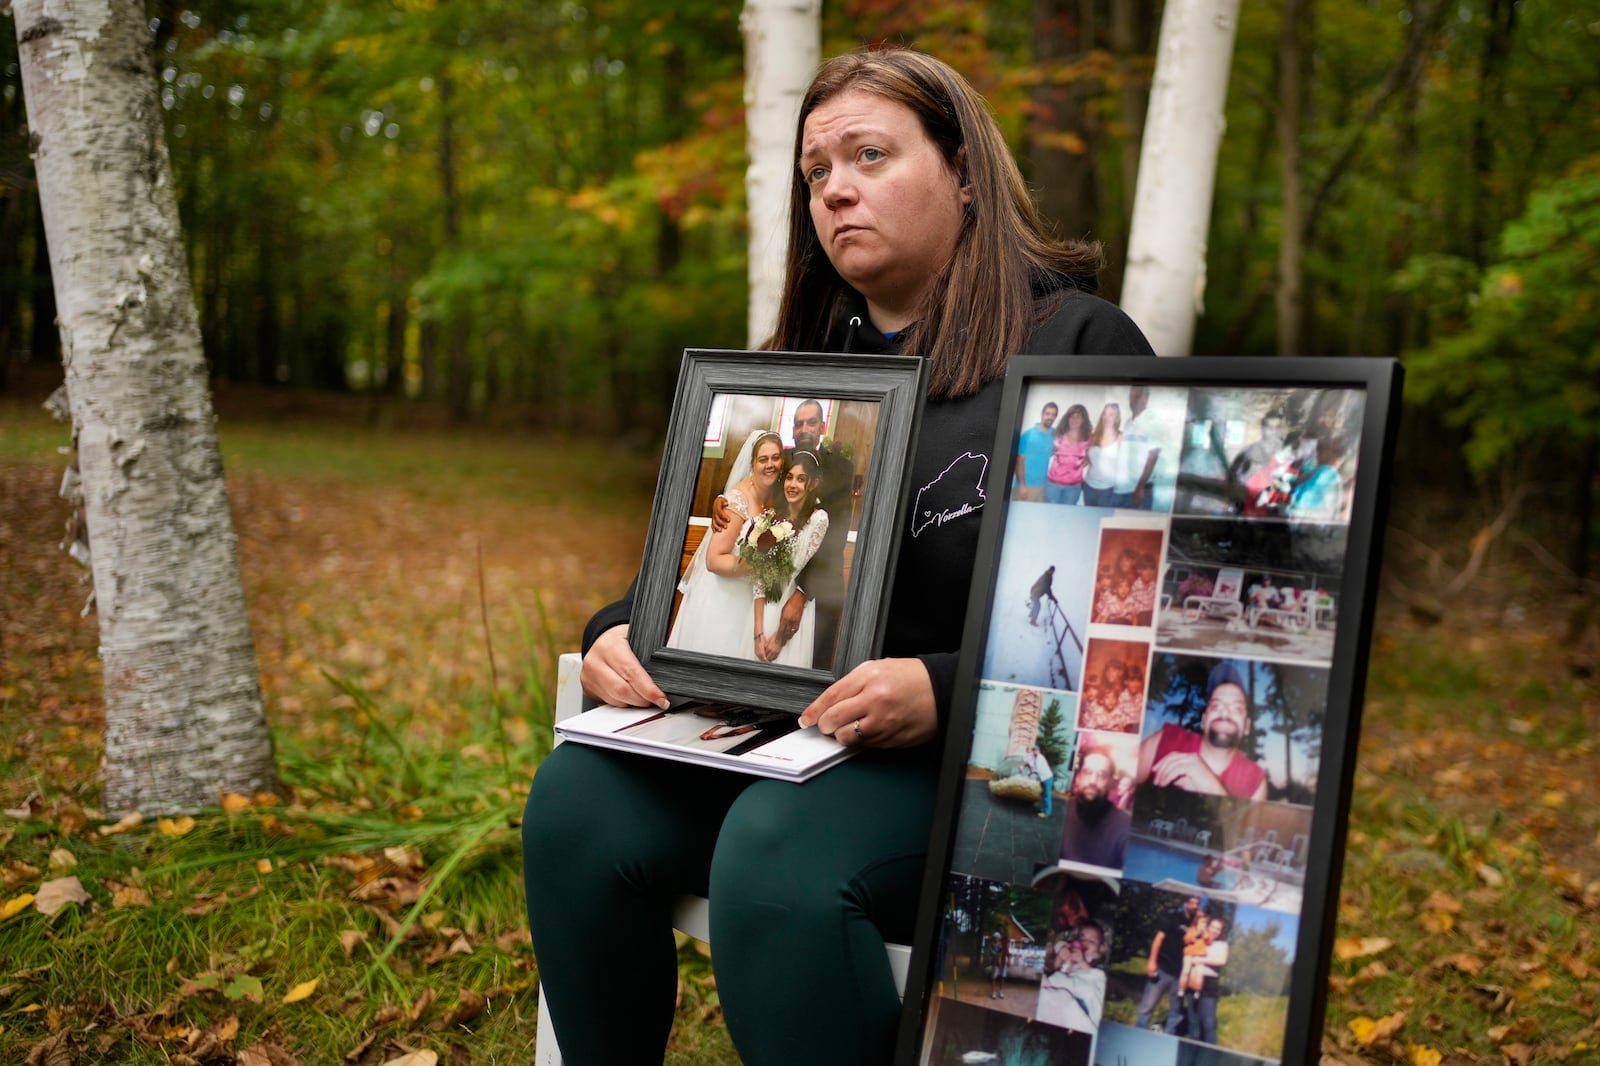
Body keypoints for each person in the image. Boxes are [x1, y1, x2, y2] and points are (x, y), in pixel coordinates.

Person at [521, 47, 1152, 1066]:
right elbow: (667, 589)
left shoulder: (1080, 348)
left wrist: (947, 691)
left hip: (987, 769)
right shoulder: (794, 375)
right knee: (577, 803)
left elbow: (1129, 632)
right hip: (791, 747)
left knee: (775, 849)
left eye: (869, 154)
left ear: (962, 172)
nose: (838, 189)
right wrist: (609, 640)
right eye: (818, 172)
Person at [722, 400, 856, 669]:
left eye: (811, 422)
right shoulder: (783, 462)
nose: (804, 428)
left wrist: (801, 594)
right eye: (798, 423)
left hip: (819, 586)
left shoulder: (841, 468)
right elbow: (755, 488)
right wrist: (722, 500)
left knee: (811, 669)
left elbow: (835, 535)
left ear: (822, 426)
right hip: (776, 584)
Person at [665, 430, 785, 659]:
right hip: (722, 601)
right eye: (763, 459)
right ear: (752, 464)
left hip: (747, 602)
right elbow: (714, 560)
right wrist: (761, 566)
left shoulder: (775, 496)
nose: (770, 464)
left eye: (775, 457)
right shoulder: (736, 499)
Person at [1136, 661, 1269, 800]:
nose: (1224, 712)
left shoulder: (1255, 782)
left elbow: (1247, 823)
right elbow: (1120, 785)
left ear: (1247, 727)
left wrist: (1208, 784)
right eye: (1216, 706)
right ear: (1204, 721)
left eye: (1236, 708)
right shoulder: (1165, 741)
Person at [753, 452, 830, 666]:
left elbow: (801, 570)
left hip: (791, 614)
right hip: (766, 610)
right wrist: (758, 632)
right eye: (789, 477)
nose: (793, 484)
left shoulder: (818, 519)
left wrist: (779, 638)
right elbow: (760, 580)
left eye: (801, 479)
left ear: (813, 484)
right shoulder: (772, 518)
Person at [1135, 894, 1203, 1033]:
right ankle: (1138, 1033)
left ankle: (1168, 1035)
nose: (1194, 906)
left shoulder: (1198, 924)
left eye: (1197, 903)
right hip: (1163, 969)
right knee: (1147, 1007)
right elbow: (1158, 940)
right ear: (1186, 904)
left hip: (1181, 976)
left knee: (1176, 1011)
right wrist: (1152, 962)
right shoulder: (1173, 918)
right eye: (1192, 902)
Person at [1059, 745, 1130, 870]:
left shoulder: (1124, 826)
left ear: (1109, 783)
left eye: (1101, 775)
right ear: (1078, 777)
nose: (1093, 781)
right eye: (1087, 772)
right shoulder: (1060, 813)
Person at [1036, 918, 1109, 1034]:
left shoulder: (1096, 963)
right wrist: (1060, 958)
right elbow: (1055, 970)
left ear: (1101, 948)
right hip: (1063, 988)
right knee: (1048, 981)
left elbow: (1097, 979)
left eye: (1092, 941)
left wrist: (1082, 962)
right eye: (1082, 938)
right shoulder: (1072, 953)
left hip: (1083, 999)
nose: (1086, 942)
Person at [1183, 917, 1230, 1044]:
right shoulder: (1199, 940)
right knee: (1193, 1021)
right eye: (1213, 927)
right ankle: (1193, 1046)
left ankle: (1210, 1049)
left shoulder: (1222, 944)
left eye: (1218, 929)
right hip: (1193, 980)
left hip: (1210, 984)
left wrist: (1202, 960)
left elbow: (1222, 961)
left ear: (1221, 932)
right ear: (1208, 927)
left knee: (1208, 1022)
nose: (1215, 930)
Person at [1113, 385, 1161, 508]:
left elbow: (1153, 456)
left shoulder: (1153, 422)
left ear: (1146, 398)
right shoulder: (1128, 422)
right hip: (1122, 490)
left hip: (1140, 490)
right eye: (1132, 395)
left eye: (1138, 395)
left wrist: (1140, 487)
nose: (1133, 399)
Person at [1014, 401, 1058, 501]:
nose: (1050, 417)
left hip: (1044, 486)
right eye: (1047, 413)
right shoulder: (1028, 435)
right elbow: (1019, 461)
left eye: (1053, 415)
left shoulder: (1053, 433)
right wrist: (1022, 485)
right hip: (1026, 487)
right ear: (1042, 414)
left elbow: (1049, 451)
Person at [1081, 402, 1123, 507]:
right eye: (1104, 414)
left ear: (1117, 418)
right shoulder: (1094, 436)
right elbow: (1088, 460)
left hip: (1108, 490)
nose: (1106, 417)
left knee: (1103, 521)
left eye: (1111, 414)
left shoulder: (1121, 437)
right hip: (1089, 487)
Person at [1027, 743, 1055, 818]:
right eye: (1033, 750)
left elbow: (1037, 769)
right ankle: (1046, 809)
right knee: (1044, 794)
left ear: (1038, 750)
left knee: (1047, 795)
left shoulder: (1040, 758)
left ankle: (1046, 813)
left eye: (1035, 750)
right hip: (1044, 778)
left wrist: (1031, 773)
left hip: (1047, 778)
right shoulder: (1036, 758)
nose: (1034, 751)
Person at [987, 929, 1011, 999]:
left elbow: (1008, 952)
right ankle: (993, 992)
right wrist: (995, 954)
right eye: (996, 937)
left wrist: (1009, 960)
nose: (997, 938)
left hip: (1003, 963)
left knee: (1002, 977)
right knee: (994, 977)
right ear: (994, 937)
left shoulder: (1004, 944)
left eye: (998, 936)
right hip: (995, 963)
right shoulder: (992, 945)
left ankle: (1001, 991)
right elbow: (991, 954)